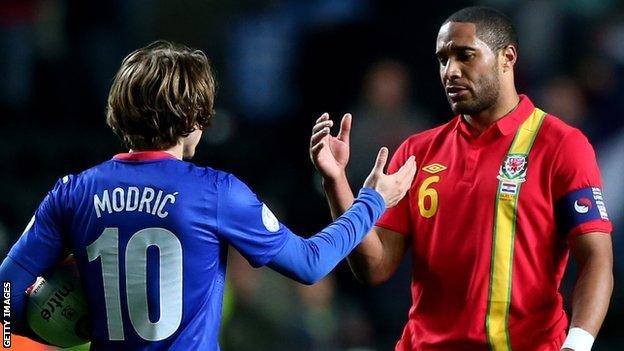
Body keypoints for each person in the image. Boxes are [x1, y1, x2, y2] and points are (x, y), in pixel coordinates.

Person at [0, 40, 417, 350]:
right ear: (195, 117)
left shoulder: (72, 193)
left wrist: (45, 326)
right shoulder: (215, 192)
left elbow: (4, 298)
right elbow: (309, 263)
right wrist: (371, 201)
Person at [309, 6, 613, 351]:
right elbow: (375, 267)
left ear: (507, 58)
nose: (450, 71)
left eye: (465, 56)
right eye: (443, 59)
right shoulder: (416, 152)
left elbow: (596, 258)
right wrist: (336, 183)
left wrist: (578, 344)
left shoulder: (561, 145)